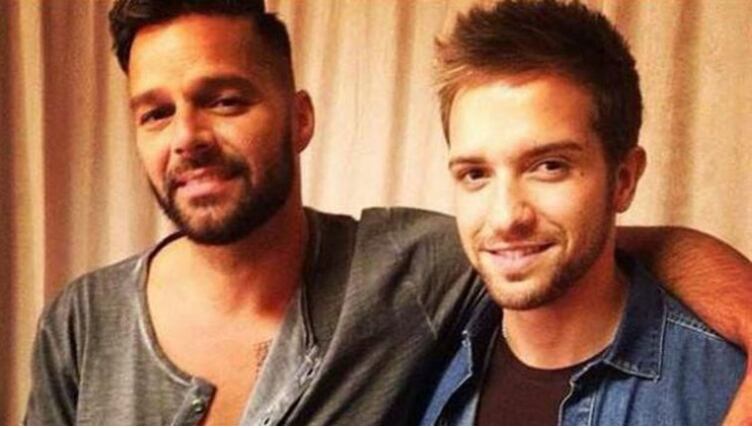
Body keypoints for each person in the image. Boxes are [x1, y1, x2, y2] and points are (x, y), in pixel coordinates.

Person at [24, 0, 751, 425]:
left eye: (224, 100)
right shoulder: (81, 321)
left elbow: (564, 249)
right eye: (155, 113)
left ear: (300, 118)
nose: (187, 137)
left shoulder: (410, 275)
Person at [421, 0, 747, 425]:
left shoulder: (723, 388)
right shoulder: (419, 360)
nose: (505, 217)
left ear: (623, 180)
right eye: (475, 174)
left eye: (549, 166)